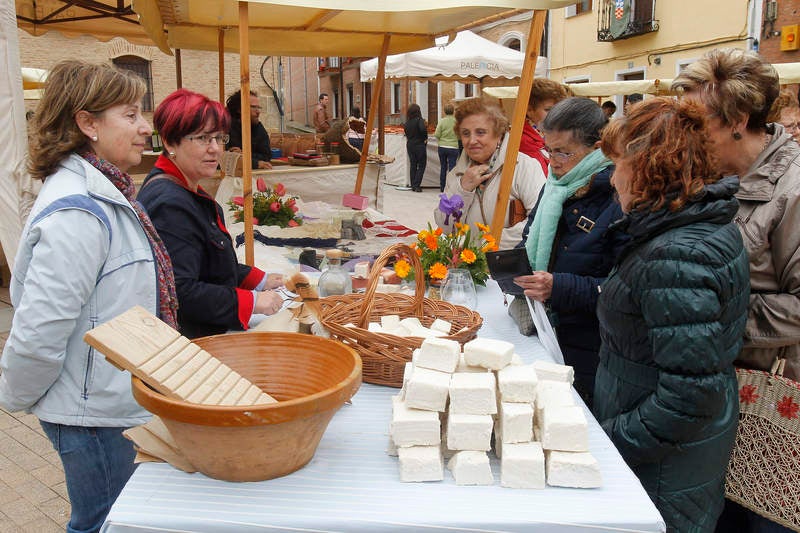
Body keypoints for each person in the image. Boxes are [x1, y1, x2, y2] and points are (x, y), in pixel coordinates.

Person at [0, 60, 179, 533]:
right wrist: (21, 399)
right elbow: (39, 331)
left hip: (105, 404)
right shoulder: (79, 212)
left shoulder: (106, 192)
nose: (145, 127)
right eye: (130, 114)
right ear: (86, 123)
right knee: (103, 523)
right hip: (92, 414)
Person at [595, 96, 750, 532]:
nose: (612, 179)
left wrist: (610, 440)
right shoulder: (682, 229)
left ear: (647, 169)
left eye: (619, 165)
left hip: (663, 461)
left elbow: (688, 396)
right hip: (663, 445)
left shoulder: (677, 255)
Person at [673, 47, 800, 533]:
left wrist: (717, 322)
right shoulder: (719, 178)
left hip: (772, 404)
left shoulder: (791, 189)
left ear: (737, 121)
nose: (687, 135)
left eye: (696, 121)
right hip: (725, 395)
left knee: (762, 521)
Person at [137, 88, 285, 339]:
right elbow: (181, 291)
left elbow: (209, 264)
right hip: (197, 341)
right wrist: (253, 301)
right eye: (203, 138)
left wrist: (259, 280)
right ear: (171, 142)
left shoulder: (184, 188)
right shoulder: (170, 203)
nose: (215, 149)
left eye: (219, 138)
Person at [512, 97, 627, 406]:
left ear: (597, 148)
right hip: (547, 331)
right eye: (549, 150)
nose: (553, 160)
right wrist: (511, 267)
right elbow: (530, 236)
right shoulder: (554, 185)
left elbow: (622, 289)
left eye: (563, 151)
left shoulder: (617, 197)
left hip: (590, 349)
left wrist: (558, 287)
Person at [434, 97, 546, 250]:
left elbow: (541, 221)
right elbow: (445, 227)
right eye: (466, 133)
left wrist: (490, 243)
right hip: (470, 267)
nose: (472, 140)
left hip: (511, 266)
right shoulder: (456, 174)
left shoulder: (524, 167)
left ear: (499, 134)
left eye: (480, 132)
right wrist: (462, 189)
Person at [519, 78, 569, 173]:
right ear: (529, 110)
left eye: (558, 109)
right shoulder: (522, 140)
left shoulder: (547, 133)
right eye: (548, 110)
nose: (555, 115)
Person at [226, 89, 272, 170]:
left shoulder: (258, 127)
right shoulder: (226, 127)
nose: (258, 112)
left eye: (259, 107)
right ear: (239, 109)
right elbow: (222, 159)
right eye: (253, 107)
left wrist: (245, 154)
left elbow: (267, 156)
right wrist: (254, 163)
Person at [434, 103, 459, 192]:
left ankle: (442, 186)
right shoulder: (457, 122)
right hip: (453, 147)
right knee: (452, 168)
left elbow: (436, 134)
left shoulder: (442, 121)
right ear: (453, 112)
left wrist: (441, 140)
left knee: (443, 167)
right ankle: (451, 187)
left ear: (444, 112)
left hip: (442, 147)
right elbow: (460, 134)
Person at [404, 103, 428, 192]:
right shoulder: (419, 120)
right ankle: (416, 185)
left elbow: (406, 132)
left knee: (413, 164)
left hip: (410, 144)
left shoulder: (407, 122)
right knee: (422, 165)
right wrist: (424, 138)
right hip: (419, 145)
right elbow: (422, 129)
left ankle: (413, 184)